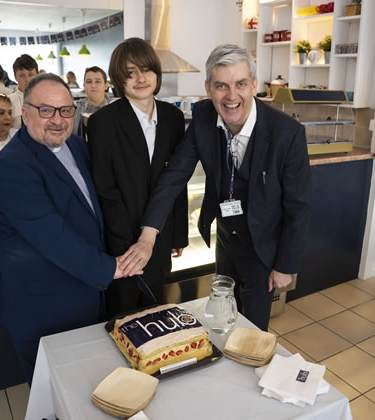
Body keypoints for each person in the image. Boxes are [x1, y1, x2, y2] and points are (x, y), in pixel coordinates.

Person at [120, 44, 311, 331]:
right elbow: (174, 177)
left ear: (254, 85)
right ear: (208, 88)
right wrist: (148, 236)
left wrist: (285, 264)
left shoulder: (287, 134)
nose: (232, 96)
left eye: (240, 84)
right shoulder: (203, 117)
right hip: (225, 237)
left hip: (264, 248)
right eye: (221, 86)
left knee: (254, 328)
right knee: (223, 316)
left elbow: (298, 206)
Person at [0, 73, 131, 384]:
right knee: (54, 393)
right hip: (42, 303)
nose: (58, 120)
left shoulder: (77, 147)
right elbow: (50, 234)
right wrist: (112, 268)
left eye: (65, 110)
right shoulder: (12, 165)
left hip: (84, 293)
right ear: (25, 113)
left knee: (88, 387)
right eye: (46, 110)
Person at [88, 38, 188, 317]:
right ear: (119, 80)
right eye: (130, 73)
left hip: (162, 236)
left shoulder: (173, 117)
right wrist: (129, 247)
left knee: (157, 312)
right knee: (125, 317)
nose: (140, 78)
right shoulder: (102, 123)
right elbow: (105, 190)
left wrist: (177, 234)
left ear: (157, 72)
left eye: (146, 70)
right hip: (122, 245)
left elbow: (176, 183)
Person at [71, 66, 113, 136]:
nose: (93, 85)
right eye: (89, 82)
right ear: (84, 85)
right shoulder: (74, 110)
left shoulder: (115, 108)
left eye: (98, 81)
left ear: (106, 85)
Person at [8, 54, 38, 130]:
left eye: (30, 75)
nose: (27, 79)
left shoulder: (46, 98)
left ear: (37, 75)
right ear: (15, 77)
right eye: (22, 75)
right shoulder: (9, 101)